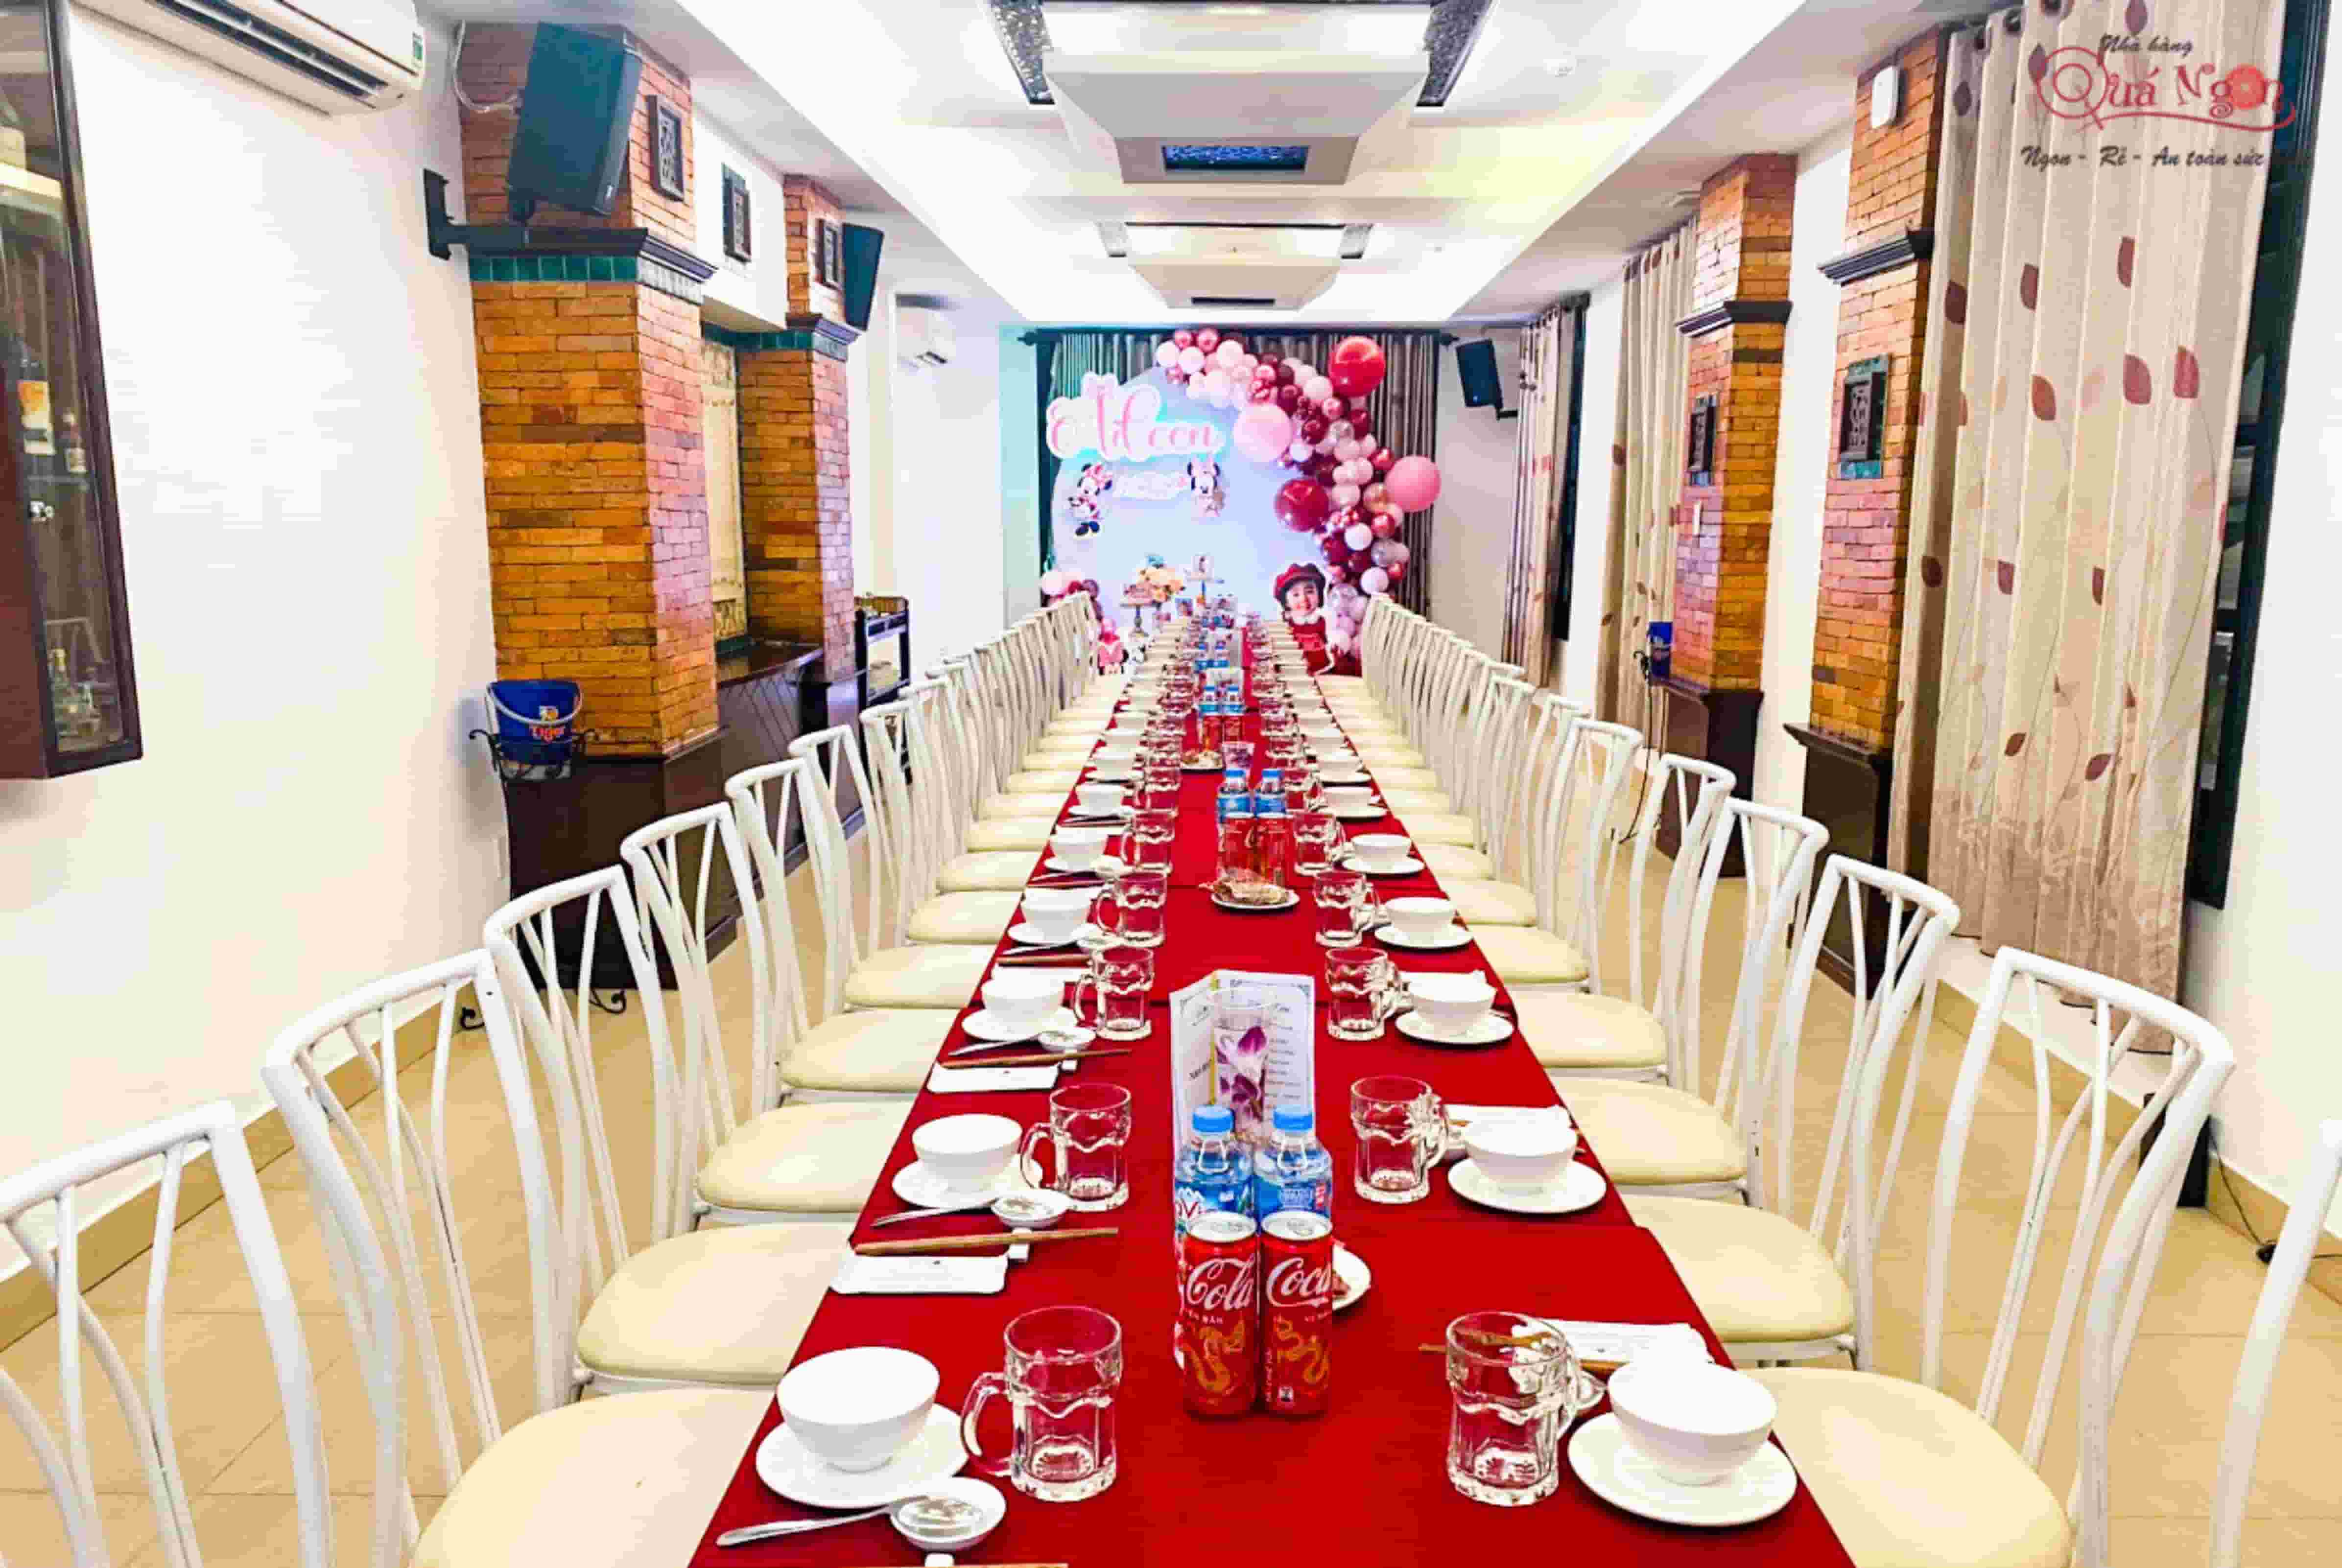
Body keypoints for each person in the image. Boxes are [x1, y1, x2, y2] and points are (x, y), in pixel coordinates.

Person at [1274, 562, 1357, 677]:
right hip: (1294, 674)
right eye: (1296, 595)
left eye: (1310, 592)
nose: (1304, 599)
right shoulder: (1286, 624)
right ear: (1286, 602)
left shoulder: (1323, 621)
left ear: (1319, 596)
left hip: (1324, 673)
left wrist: (1335, 650)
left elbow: (1330, 643)